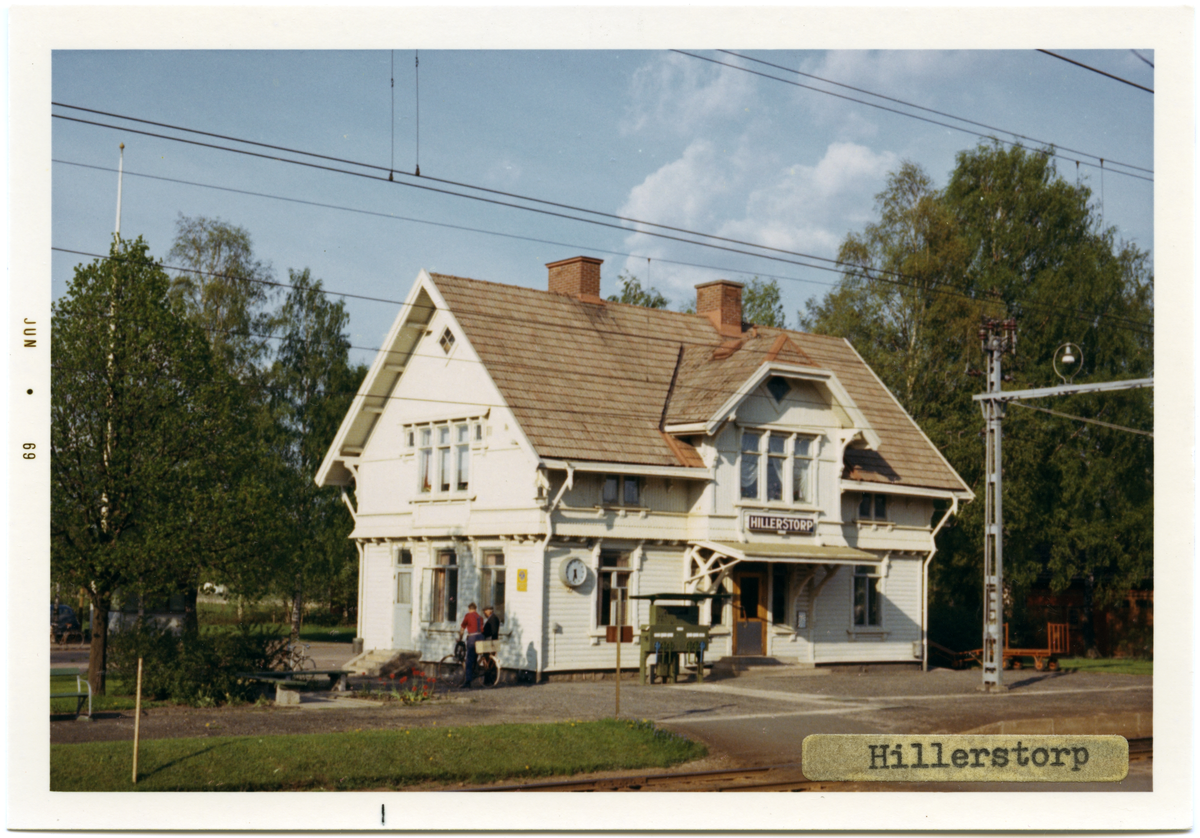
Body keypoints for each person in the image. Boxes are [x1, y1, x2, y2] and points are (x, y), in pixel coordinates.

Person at [458, 602, 485, 687]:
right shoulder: (480, 617)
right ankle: (474, 674)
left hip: (472, 638)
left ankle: (468, 682)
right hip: (481, 637)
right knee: (475, 657)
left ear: (469, 609)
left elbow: (462, 628)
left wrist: (460, 638)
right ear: (475, 609)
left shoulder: (468, 616)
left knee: (469, 660)